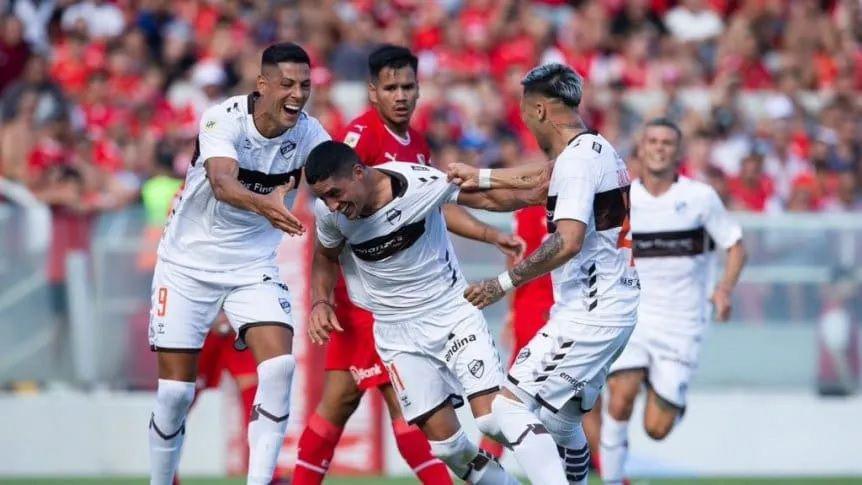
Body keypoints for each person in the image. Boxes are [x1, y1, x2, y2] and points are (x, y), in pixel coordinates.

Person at [294, 44, 523, 485]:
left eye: (408, 86)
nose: (401, 96)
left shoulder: (415, 142)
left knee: (341, 400)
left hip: (396, 300)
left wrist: (491, 234)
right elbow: (335, 225)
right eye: (391, 87)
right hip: (372, 303)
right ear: (372, 92)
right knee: (404, 406)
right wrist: (323, 299)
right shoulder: (361, 143)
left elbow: (432, 207)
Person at [304, 141, 545, 484]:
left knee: (494, 420)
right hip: (396, 333)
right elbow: (325, 256)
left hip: (451, 314)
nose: (332, 204)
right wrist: (321, 301)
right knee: (448, 448)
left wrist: (539, 194)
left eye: (335, 192)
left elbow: (487, 199)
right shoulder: (330, 213)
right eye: (324, 197)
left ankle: (562, 456)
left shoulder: (418, 183)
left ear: (358, 173)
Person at [146, 42, 330, 485]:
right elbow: (223, 182)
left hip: (253, 267)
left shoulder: (310, 133)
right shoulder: (221, 119)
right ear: (262, 84)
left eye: (304, 85)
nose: (297, 94)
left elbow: (343, 173)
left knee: (280, 367)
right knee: (174, 394)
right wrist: (266, 205)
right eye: (286, 84)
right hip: (187, 264)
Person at [447, 63, 640, 485]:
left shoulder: (577, 163)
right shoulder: (594, 150)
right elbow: (531, 188)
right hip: (609, 307)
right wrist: (458, 183)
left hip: (591, 312)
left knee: (503, 412)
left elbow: (566, 241)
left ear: (537, 111)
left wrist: (502, 284)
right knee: (562, 424)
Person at [596, 118, 747, 485]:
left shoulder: (699, 198)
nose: (660, 147)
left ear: (677, 151)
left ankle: (668, 393)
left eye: (667, 142)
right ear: (641, 149)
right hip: (634, 318)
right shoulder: (623, 200)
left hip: (683, 323)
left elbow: (735, 246)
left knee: (656, 429)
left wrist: (724, 289)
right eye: (653, 141)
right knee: (619, 400)